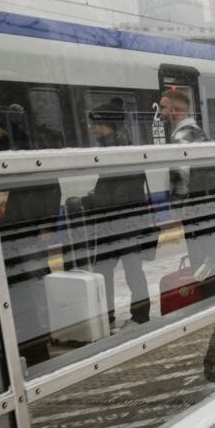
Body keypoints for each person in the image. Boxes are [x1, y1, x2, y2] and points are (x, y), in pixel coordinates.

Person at [79, 98, 153, 327]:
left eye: (95, 124)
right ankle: (110, 316)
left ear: (108, 125)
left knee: (130, 269)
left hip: (123, 221)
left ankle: (140, 316)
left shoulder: (120, 150)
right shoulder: (115, 146)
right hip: (117, 221)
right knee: (108, 267)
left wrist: (88, 201)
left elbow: (122, 195)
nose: (91, 128)